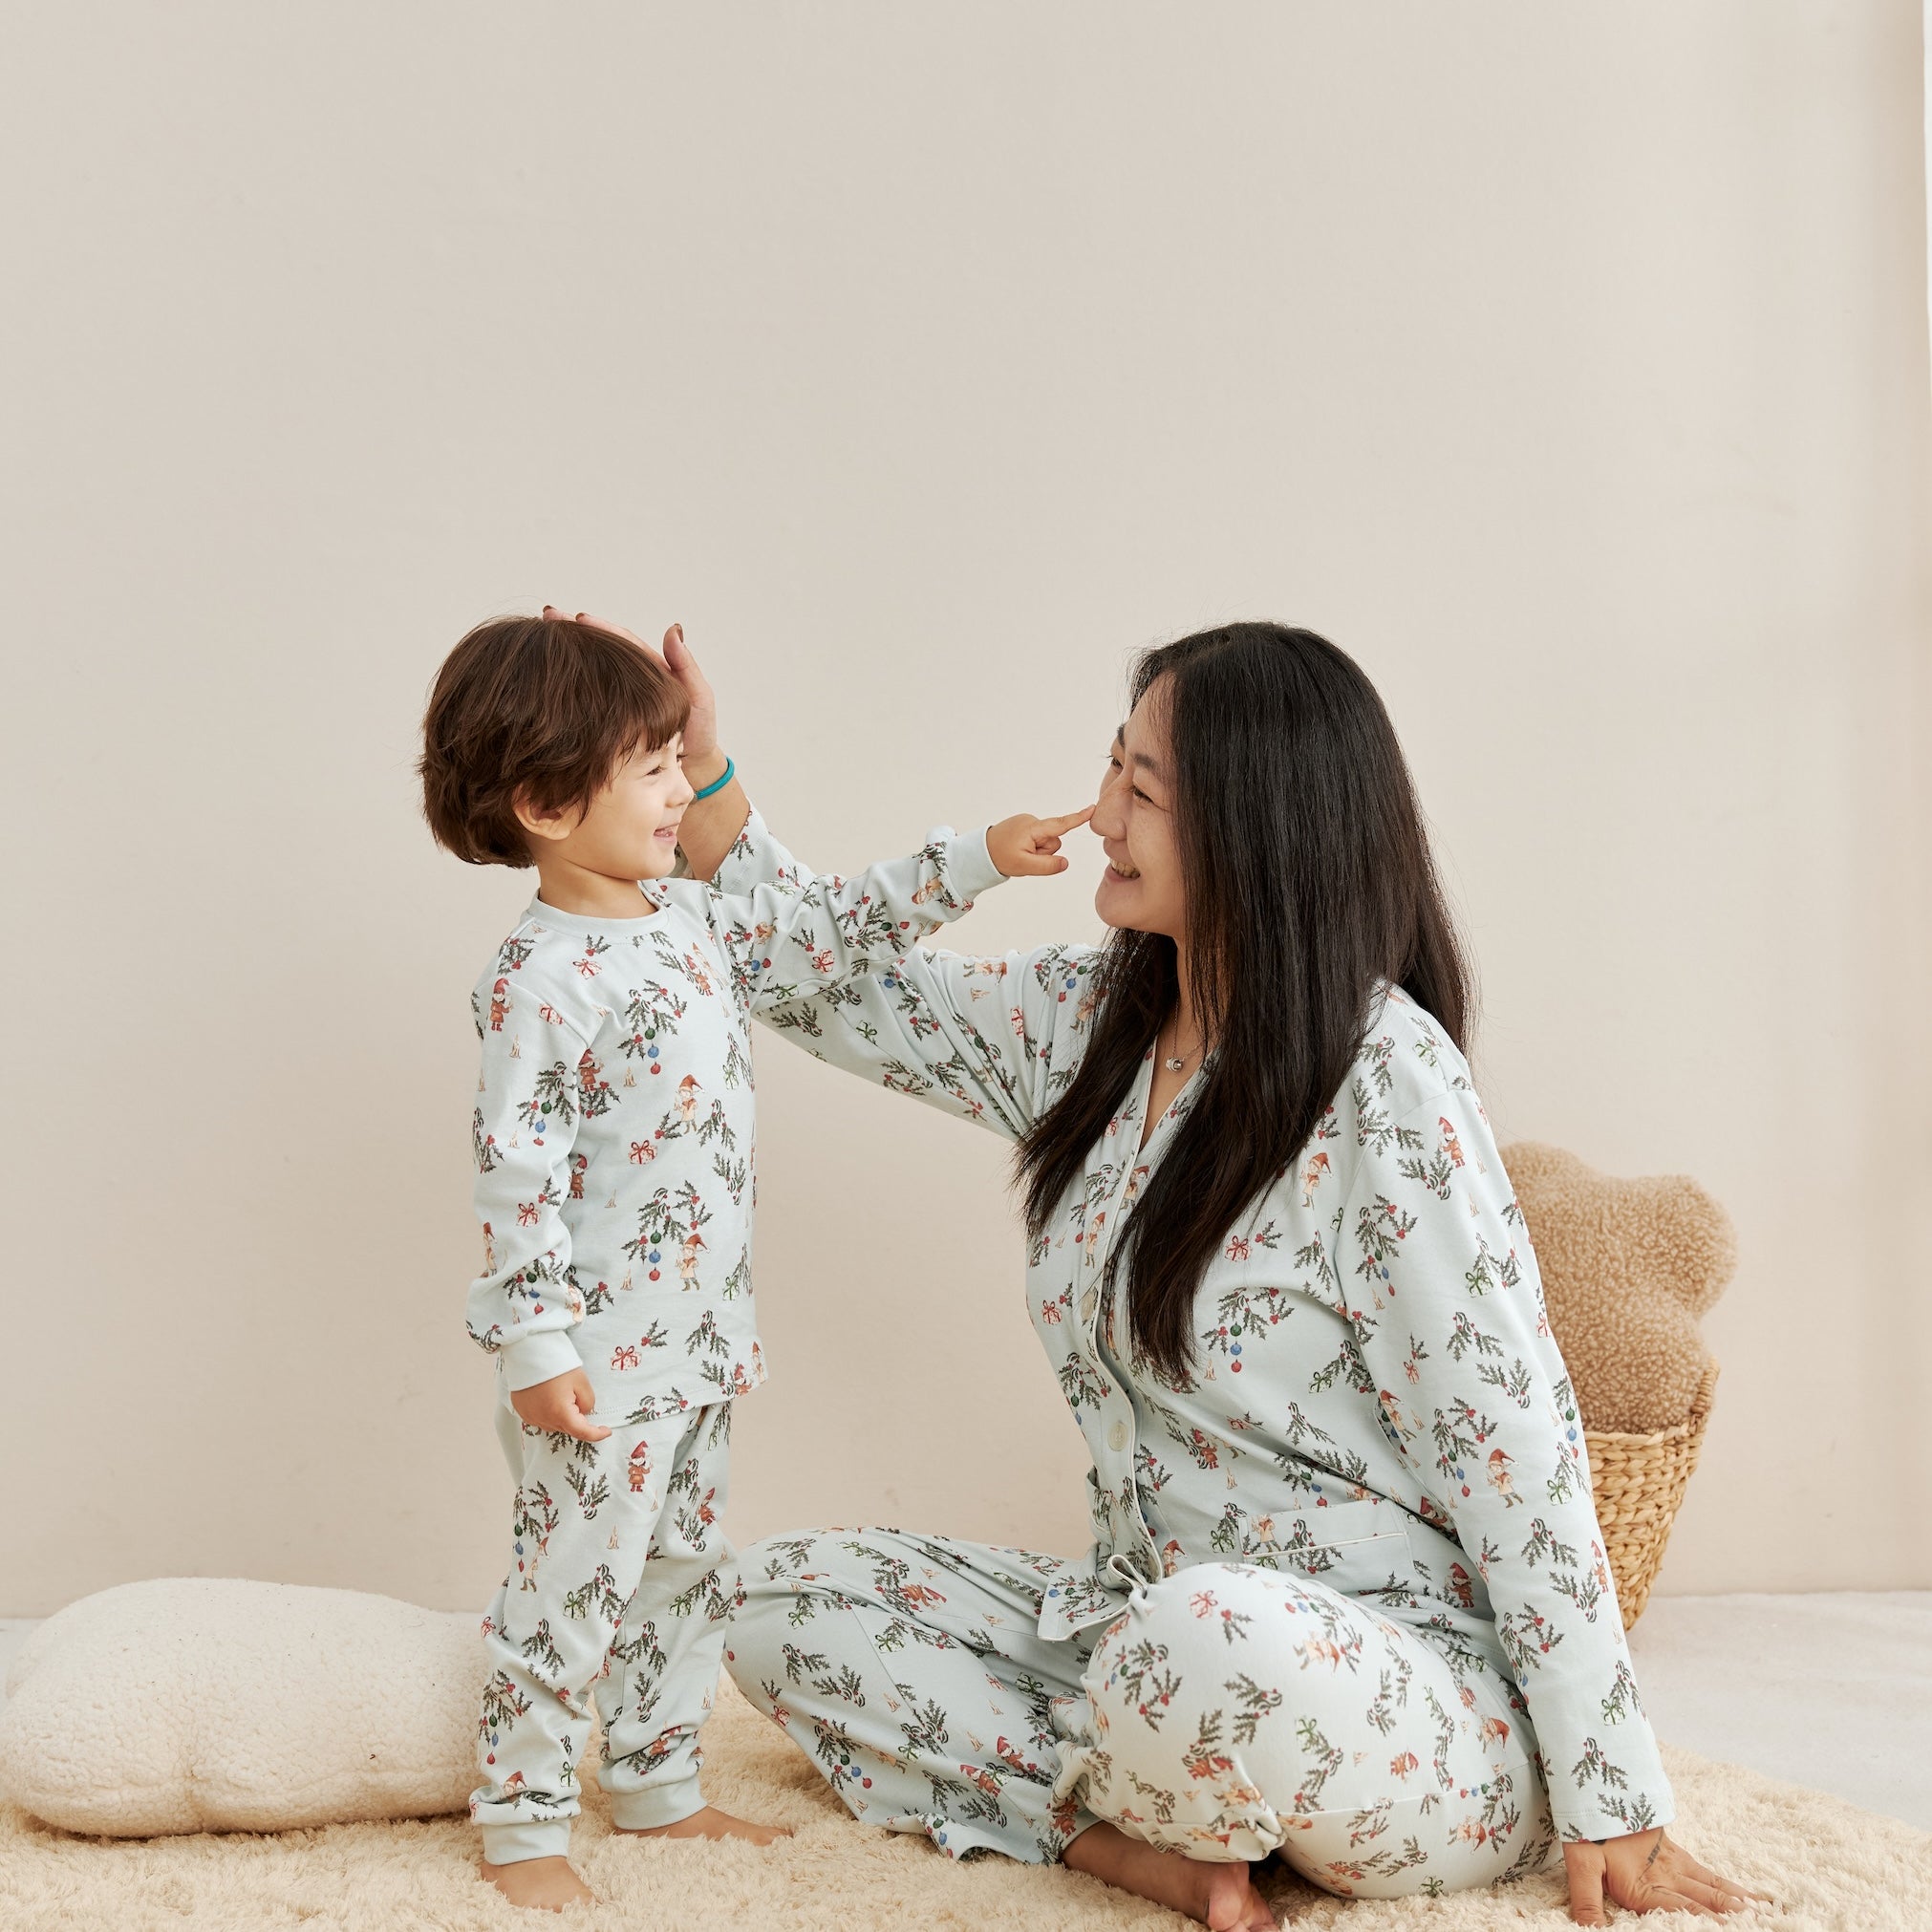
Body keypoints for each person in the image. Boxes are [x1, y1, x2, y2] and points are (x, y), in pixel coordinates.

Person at [633, 613, 1770, 1931]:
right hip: (1138, 1626)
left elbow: (1510, 1445)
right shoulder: (1091, 1023)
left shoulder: (1383, 1081)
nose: (1101, 813)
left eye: (1142, 787)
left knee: (1206, 1643)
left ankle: (1158, 1774)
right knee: (767, 1601)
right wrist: (699, 778)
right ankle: (1118, 1830)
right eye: (1112, 766)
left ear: (1254, 823)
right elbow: (825, 988)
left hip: (1391, 1688)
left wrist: (1610, 1786)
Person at [417, 612, 1086, 1911]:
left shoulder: (690, 920)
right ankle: (521, 1816)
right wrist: (537, 1345)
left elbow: (828, 929)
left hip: (703, 1343)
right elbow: (520, 1173)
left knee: (681, 1571)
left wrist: (975, 860)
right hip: (598, 1366)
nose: (683, 791)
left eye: (678, 761)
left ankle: (658, 1784)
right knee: (571, 1588)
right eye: (654, 768)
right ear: (551, 803)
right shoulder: (537, 978)